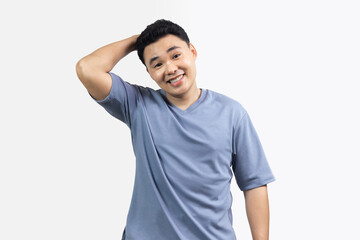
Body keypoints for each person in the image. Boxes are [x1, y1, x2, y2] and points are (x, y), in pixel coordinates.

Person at [76, 19, 275, 240]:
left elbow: (254, 184)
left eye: (175, 55)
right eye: (157, 63)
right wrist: (138, 40)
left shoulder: (232, 113)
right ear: (149, 72)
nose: (170, 68)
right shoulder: (138, 105)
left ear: (193, 51)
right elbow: (87, 68)